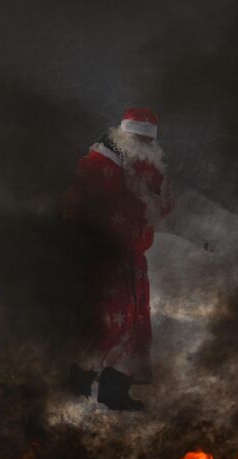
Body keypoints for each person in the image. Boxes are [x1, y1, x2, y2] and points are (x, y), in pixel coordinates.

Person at [65, 108, 172, 410]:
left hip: (133, 260)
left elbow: (162, 207)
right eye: (138, 137)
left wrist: (155, 187)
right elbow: (75, 209)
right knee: (104, 321)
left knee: (134, 326)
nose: (144, 143)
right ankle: (78, 385)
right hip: (104, 257)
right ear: (125, 135)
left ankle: (115, 390)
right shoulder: (97, 164)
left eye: (148, 139)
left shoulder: (147, 167)